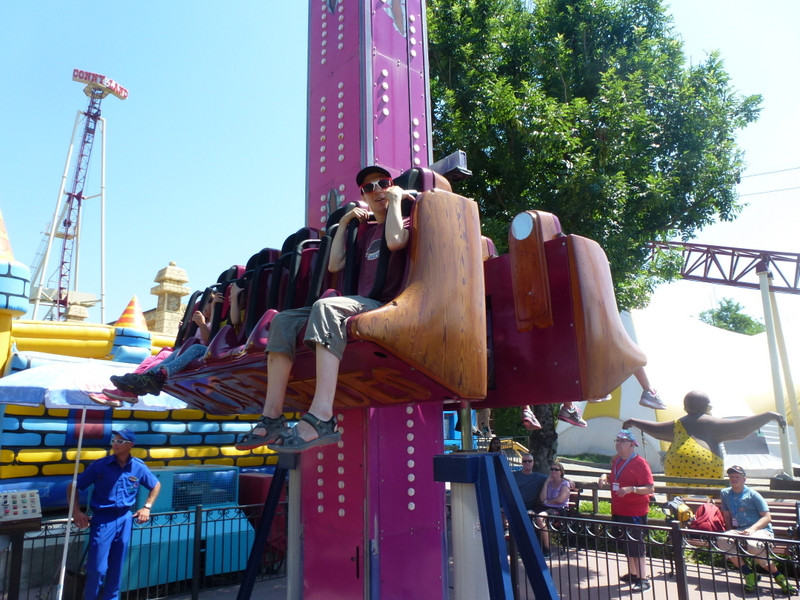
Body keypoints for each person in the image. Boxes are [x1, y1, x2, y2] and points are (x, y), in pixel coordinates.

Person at [236, 166, 411, 452]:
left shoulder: (402, 221)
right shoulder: (366, 232)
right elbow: (334, 264)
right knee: (283, 321)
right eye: (368, 188)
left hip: (387, 304)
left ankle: (322, 417)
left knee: (326, 307)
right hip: (359, 302)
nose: (377, 190)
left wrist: (396, 201)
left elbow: (395, 241)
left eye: (383, 183)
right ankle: (272, 416)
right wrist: (344, 223)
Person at [67, 429, 160, 600]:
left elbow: (156, 485)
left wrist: (147, 507)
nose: (115, 444)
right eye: (114, 441)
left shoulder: (138, 466)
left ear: (130, 445)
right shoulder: (100, 465)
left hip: (125, 517)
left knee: (116, 567)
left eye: (120, 441)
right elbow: (74, 487)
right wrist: (76, 511)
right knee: (97, 568)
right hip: (103, 518)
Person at [623, 390, 787, 481]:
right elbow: (740, 429)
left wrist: (634, 421)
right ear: (708, 406)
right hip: (707, 477)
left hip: (676, 475)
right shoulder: (712, 423)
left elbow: (655, 429)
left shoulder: (678, 424)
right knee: (707, 504)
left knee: (679, 506)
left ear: (685, 407)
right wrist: (767, 415)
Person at [717, 465, 796, 595]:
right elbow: (727, 516)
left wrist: (752, 529)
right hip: (741, 531)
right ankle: (749, 574)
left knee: (754, 545)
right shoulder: (725, 493)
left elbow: (767, 517)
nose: (734, 479)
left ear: (744, 479)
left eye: (737, 476)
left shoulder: (753, 495)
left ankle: (778, 576)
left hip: (761, 530)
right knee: (722, 539)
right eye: (731, 477)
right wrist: (730, 534)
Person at [598, 429, 655, 592]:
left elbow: (650, 488)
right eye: (617, 440)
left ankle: (643, 579)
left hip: (635, 511)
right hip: (618, 509)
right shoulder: (617, 460)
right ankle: (633, 574)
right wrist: (604, 476)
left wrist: (632, 489)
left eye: (622, 441)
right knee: (625, 543)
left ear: (632, 444)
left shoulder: (640, 463)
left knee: (637, 545)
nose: (618, 443)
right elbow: (617, 478)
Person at [535, 460, 571, 557]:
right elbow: (542, 498)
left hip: (559, 510)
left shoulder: (565, 484)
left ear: (561, 472)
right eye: (552, 469)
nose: (554, 471)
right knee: (528, 514)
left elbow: (560, 500)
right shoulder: (549, 483)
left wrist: (547, 502)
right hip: (546, 508)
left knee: (540, 517)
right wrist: (546, 483)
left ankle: (547, 548)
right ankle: (535, 545)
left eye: (556, 469)